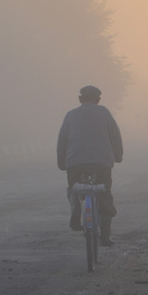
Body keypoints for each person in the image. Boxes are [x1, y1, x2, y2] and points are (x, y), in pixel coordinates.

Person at [57, 85, 123, 244]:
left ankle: (75, 207)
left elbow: (62, 141)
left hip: (75, 163)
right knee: (104, 194)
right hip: (101, 163)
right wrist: (118, 156)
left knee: (74, 187)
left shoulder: (70, 115)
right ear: (98, 100)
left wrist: (62, 163)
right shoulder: (104, 113)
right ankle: (105, 237)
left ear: (80, 99)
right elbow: (115, 135)